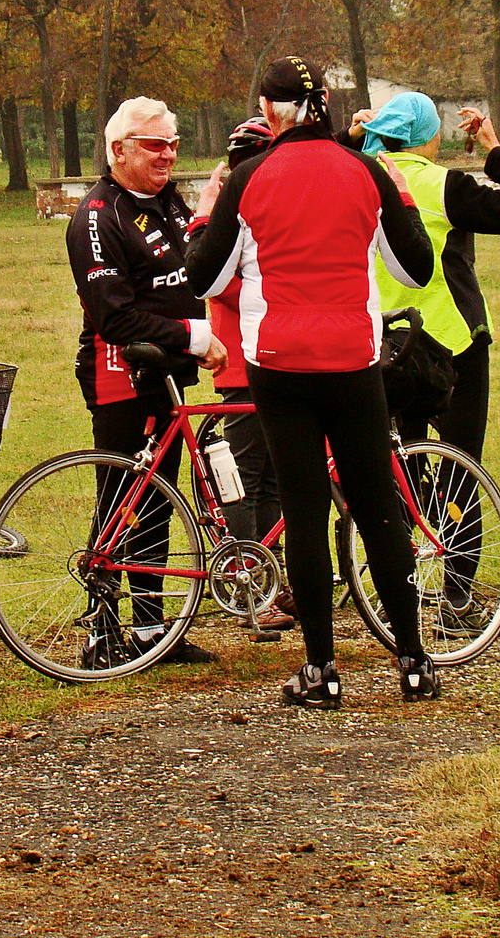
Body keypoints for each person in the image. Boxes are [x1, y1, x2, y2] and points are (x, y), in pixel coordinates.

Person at [186, 56, 440, 708]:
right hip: (354, 361)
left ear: (268, 111)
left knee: (304, 513)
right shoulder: (366, 171)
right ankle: (413, 660)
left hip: (279, 363)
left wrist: (210, 214)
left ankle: (321, 670)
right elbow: (415, 269)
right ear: (326, 100)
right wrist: (396, 201)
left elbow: (205, 279)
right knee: (378, 508)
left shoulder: (249, 178)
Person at [353, 93, 500, 633]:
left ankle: (401, 594)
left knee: (398, 469)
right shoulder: (442, 184)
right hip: (451, 344)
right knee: (461, 468)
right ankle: (459, 598)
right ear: (429, 136)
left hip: (382, 344)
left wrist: (353, 139)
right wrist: (493, 148)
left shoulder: (361, 175)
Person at [66, 96, 228, 665]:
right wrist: (193, 335)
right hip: (120, 371)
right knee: (121, 501)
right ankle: (101, 633)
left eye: (173, 143)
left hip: (166, 371)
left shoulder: (166, 199)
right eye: (155, 144)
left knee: (160, 500)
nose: (168, 154)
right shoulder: (96, 216)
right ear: (119, 149)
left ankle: (151, 630)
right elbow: (113, 315)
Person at [208, 116, 293, 631]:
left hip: (262, 358)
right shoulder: (231, 206)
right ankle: (252, 587)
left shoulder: (247, 200)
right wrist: (271, 291)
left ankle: (271, 581)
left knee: (273, 482)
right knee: (246, 482)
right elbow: (217, 282)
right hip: (243, 362)